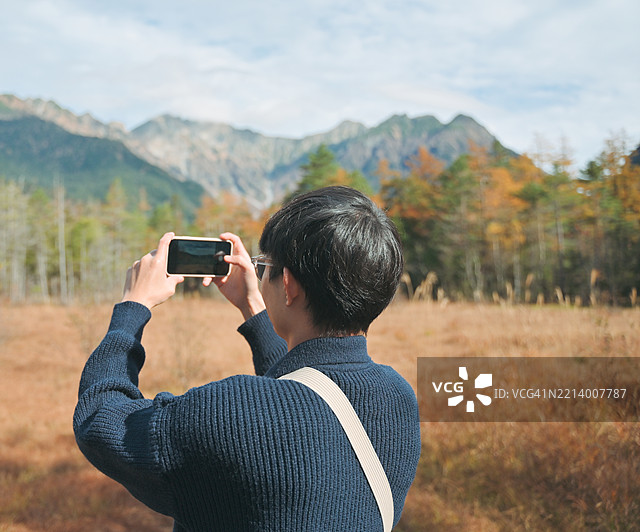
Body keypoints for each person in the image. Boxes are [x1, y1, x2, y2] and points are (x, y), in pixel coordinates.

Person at [73, 185, 421, 531]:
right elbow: (307, 397)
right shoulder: (399, 398)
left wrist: (133, 307)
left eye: (264, 265)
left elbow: (100, 422)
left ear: (288, 285)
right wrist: (254, 306)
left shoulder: (227, 413)